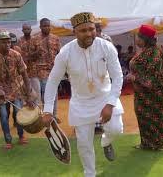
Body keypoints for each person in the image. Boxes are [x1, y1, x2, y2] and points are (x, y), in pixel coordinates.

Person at [42, 12, 124, 177]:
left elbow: (118, 77)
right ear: (74, 32)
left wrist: (110, 103)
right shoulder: (65, 53)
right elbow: (52, 81)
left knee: (116, 129)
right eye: (83, 30)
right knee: (84, 144)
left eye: (91, 29)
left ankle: (106, 141)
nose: (88, 34)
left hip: (105, 97)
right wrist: (48, 110)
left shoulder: (106, 47)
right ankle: (89, 173)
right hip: (81, 103)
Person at [0, 31, 37, 150]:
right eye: (3, 42)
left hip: (15, 89)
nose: (7, 44)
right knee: (3, 115)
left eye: (8, 42)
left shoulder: (16, 55)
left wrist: (29, 94)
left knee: (18, 112)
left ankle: (21, 136)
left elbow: (24, 75)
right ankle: (8, 140)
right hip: (0, 90)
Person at [127, 25, 163, 150]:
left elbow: (151, 78)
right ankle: (148, 143)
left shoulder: (154, 53)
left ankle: (157, 143)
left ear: (145, 39)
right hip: (144, 91)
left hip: (153, 91)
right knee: (145, 114)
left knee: (155, 115)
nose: (136, 40)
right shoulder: (148, 51)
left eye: (138, 37)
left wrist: (134, 78)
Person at [31, 18, 61, 123]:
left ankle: (54, 115)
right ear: (40, 27)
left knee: (54, 94)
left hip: (53, 71)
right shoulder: (34, 39)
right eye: (44, 26)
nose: (46, 28)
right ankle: (41, 116)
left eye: (48, 26)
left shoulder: (55, 39)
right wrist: (36, 53)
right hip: (40, 72)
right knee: (43, 95)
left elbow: (59, 54)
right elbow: (31, 57)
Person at [17, 24, 40, 106]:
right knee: (24, 94)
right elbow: (18, 55)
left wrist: (29, 56)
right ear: (22, 30)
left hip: (34, 71)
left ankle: (37, 113)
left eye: (28, 29)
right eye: (25, 29)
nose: (26, 30)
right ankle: (26, 116)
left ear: (31, 30)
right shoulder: (19, 41)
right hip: (23, 73)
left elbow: (38, 53)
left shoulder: (35, 40)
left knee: (36, 93)